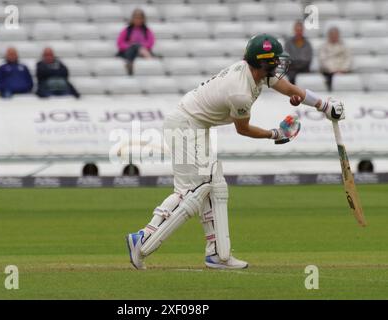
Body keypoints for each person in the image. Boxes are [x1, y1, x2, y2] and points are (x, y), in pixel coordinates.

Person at [126, 34, 345, 270]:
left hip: (196, 126)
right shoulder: (240, 92)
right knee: (192, 191)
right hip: (185, 126)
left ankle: (217, 254)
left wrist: (324, 106)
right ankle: (144, 239)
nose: (279, 65)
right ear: (262, 63)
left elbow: (290, 88)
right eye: (274, 60)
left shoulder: (256, 73)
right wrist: (275, 134)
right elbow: (243, 129)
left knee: (215, 186)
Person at [117, 8, 155, 75]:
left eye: (140, 18)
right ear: (133, 19)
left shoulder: (146, 30)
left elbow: (150, 42)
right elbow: (120, 43)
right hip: (129, 51)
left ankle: (130, 63)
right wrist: (132, 45)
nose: (138, 20)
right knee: (135, 46)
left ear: (143, 19)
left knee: (137, 45)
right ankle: (145, 58)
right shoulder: (127, 30)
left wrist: (140, 45)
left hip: (141, 51)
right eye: (136, 18)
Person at [319, 27, 352, 91]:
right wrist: (333, 70)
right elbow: (322, 60)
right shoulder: (324, 47)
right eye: (332, 35)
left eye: (335, 35)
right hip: (329, 73)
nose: (334, 37)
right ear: (329, 36)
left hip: (343, 71)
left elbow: (349, 59)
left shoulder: (344, 46)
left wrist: (343, 69)